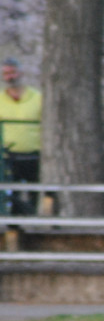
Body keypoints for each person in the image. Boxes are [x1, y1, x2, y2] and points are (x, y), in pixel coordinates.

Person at [0, 57, 42, 215]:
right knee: (12, 193)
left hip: (35, 154)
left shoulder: (37, 98)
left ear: (21, 73)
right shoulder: (0, 100)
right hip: (8, 155)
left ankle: (34, 221)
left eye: (13, 72)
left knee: (35, 192)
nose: (10, 77)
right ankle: (14, 223)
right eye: (6, 73)